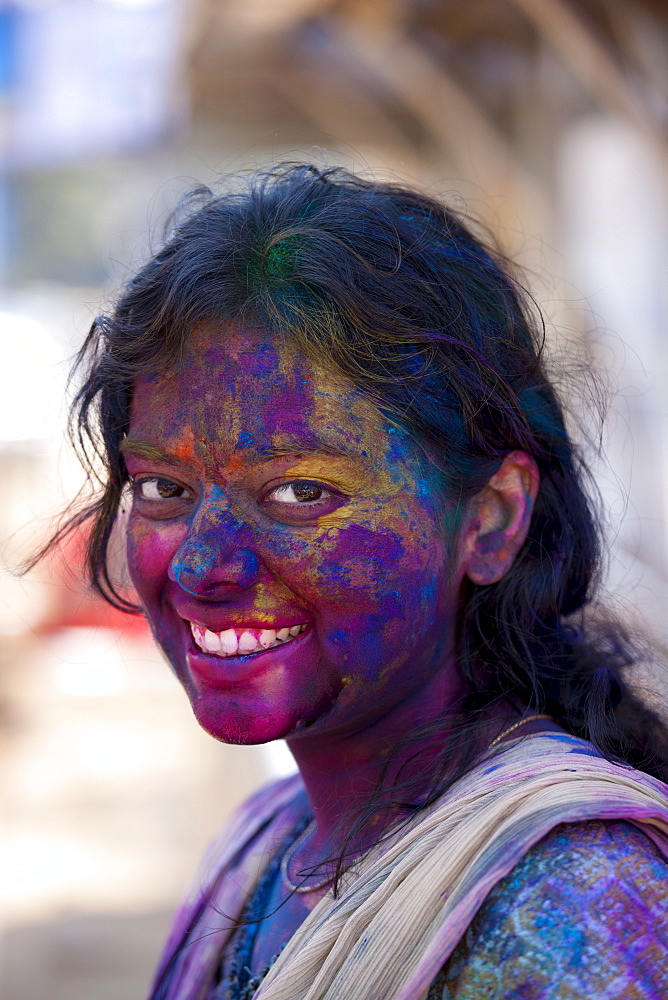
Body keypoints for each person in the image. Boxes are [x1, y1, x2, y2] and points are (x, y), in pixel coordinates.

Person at [48, 165, 668, 999]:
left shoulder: (569, 909)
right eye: (165, 489)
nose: (202, 566)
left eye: (302, 493)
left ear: (489, 519)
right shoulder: (270, 843)